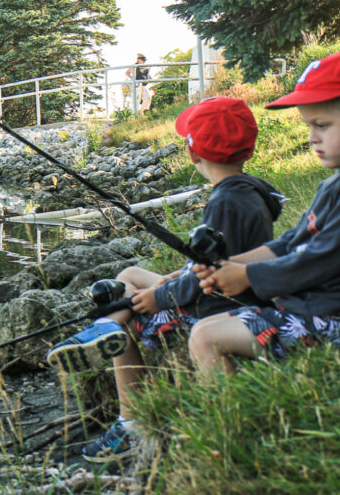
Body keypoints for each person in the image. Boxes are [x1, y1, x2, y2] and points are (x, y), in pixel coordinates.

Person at [46, 96, 286, 462]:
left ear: (193, 156)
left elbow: (213, 278)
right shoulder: (251, 191)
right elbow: (223, 258)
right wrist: (176, 275)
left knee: (126, 308)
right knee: (129, 275)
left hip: (218, 307)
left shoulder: (224, 203)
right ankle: (107, 324)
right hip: (225, 292)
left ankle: (133, 420)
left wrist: (161, 297)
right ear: (248, 150)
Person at [190, 51, 340, 376]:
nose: (311, 137)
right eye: (309, 126)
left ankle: (228, 419)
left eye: (321, 125)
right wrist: (233, 265)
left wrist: (249, 277)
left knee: (205, 336)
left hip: (339, 322)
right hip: (317, 308)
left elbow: (325, 257)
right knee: (211, 324)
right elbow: (293, 240)